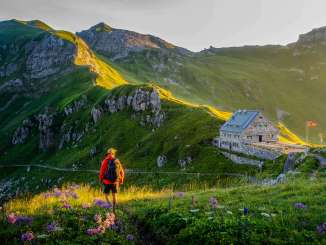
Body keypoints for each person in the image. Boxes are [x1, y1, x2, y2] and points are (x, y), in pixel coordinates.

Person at [99, 148, 125, 213]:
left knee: (106, 195)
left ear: (107, 154)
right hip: (115, 182)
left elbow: (102, 171)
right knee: (114, 195)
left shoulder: (105, 161)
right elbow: (122, 171)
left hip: (107, 181)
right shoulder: (117, 160)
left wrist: (101, 179)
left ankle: (109, 206)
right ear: (114, 154)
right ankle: (114, 210)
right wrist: (121, 180)